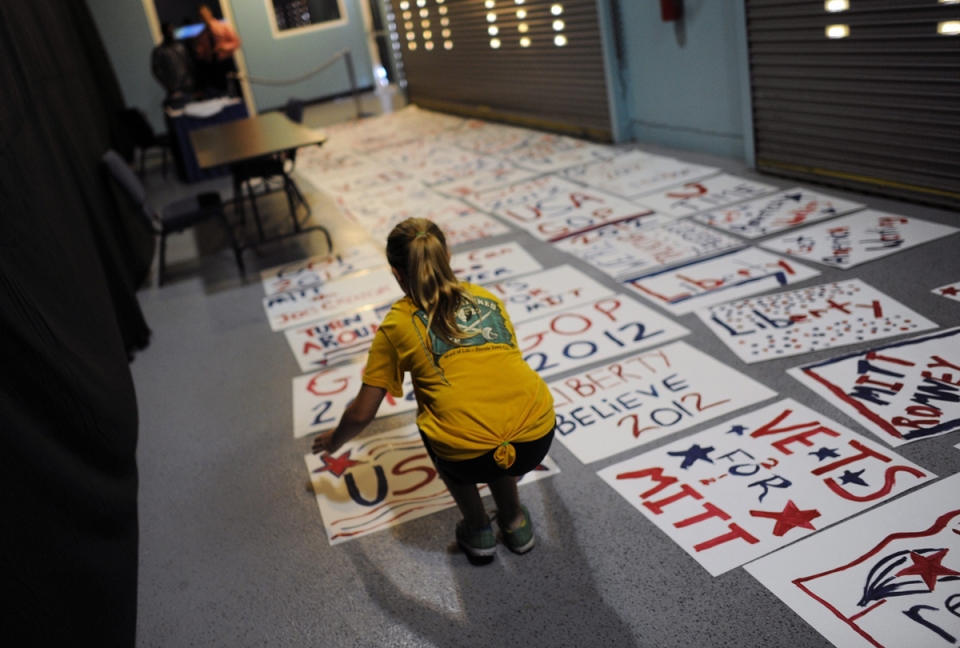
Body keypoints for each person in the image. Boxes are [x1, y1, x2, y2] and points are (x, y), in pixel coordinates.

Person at [312, 219, 556, 559]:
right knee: (492, 421)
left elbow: (361, 414)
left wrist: (334, 441)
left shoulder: (397, 323)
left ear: (396, 273)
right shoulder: (487, 297)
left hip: (467, 454)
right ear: (448, 256)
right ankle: (515, 522)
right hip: (538, 434)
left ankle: (478, 530)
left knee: (441, 422)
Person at [193, 3, 241, 96]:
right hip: (213, 65)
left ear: (209, 13)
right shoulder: (202, 35)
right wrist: (200, 52)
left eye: (204, 14)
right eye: (201, 15)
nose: (203, 17)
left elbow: (236, 42)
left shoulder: (223, 26)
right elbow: (202, 53)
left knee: (235, 87)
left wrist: (224, 48)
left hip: (226, 61)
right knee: (219, 89)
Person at [150, 23, 195, 100]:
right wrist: (167, 85)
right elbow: (157, 71)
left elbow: (190, 64)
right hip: (174, 87)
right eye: (168, 32)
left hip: (188, 84)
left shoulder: (181, 48)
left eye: (172, 31)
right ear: (164, 33)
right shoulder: (160, 51)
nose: (170, 34)